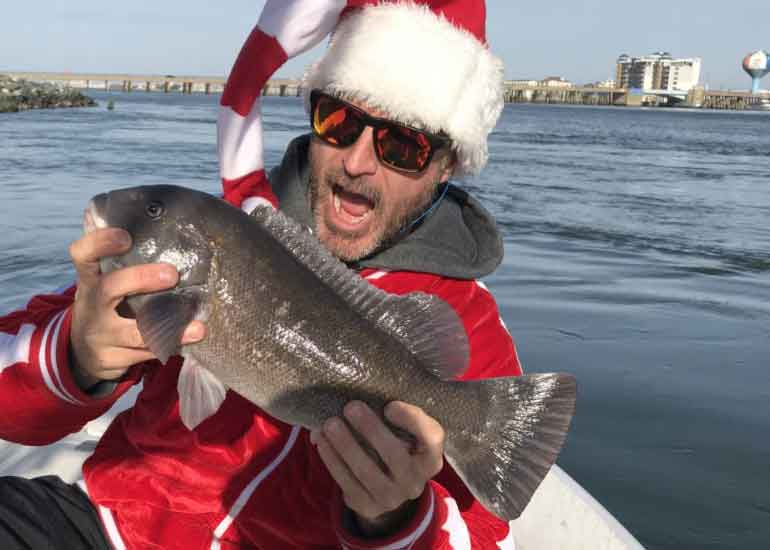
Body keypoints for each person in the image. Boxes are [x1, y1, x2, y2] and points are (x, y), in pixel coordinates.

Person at [0, 0, 523, 548]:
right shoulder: (224, 232)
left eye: (403, 146)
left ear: (446, 165)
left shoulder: (471, 322)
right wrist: (78, 355)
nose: (357, 162)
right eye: (339, 121)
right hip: (106, 526)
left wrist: (395, 521)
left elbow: (485, 533)